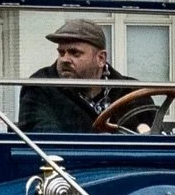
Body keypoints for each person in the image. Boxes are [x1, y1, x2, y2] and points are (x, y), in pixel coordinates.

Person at [17, 18, 156, 134]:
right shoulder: (40, 87)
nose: (65, 59)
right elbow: (44, 138)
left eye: (74, 53)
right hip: (64, 165)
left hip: (126, 165)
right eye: (61, 53)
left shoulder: (132, 92)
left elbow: (150, 138)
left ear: (101, 58)